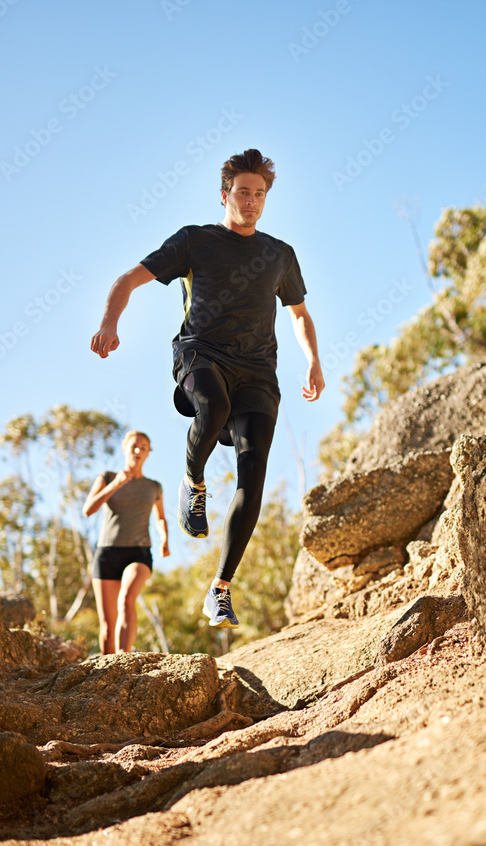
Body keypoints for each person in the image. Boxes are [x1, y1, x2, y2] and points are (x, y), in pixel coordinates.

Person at [90, 148, 324, 630]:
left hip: (259, 371)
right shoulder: (195, 241)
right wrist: (110, 322)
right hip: (200, 353)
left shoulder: (280, 254)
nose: (252, 201)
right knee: (212, 406)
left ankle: (220, 588)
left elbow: (299, 314)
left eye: (260, 194)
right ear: (225, 195)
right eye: (243, 192)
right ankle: (192, 481)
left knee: (253, 473)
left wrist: (314, 362)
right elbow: (127, 279)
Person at [83, 430, 169, 653]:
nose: (138, 450)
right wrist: (115, 485)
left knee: (127, 599)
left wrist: (165, 539)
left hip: (138, 553)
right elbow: (88, 509)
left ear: (149, 453)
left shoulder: (153, 487)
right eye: (134, 446)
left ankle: (124, 658)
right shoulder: (108, 477)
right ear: (124, 448)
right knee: (107, 629)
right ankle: (107, 677)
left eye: (144, 447)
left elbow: (160, 516)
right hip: (107, 554)